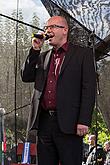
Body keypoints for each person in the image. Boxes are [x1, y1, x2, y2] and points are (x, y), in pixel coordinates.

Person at [21, 15, 96, 165]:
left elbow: (89, 89)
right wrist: (35, 49)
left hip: (70, 123)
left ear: (65, 30)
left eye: (52, 27)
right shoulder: (42, 57)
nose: (48, 31)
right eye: (46, 28)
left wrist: (83, 120)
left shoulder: (82, 54)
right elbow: (26, 76)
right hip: (44, 122)